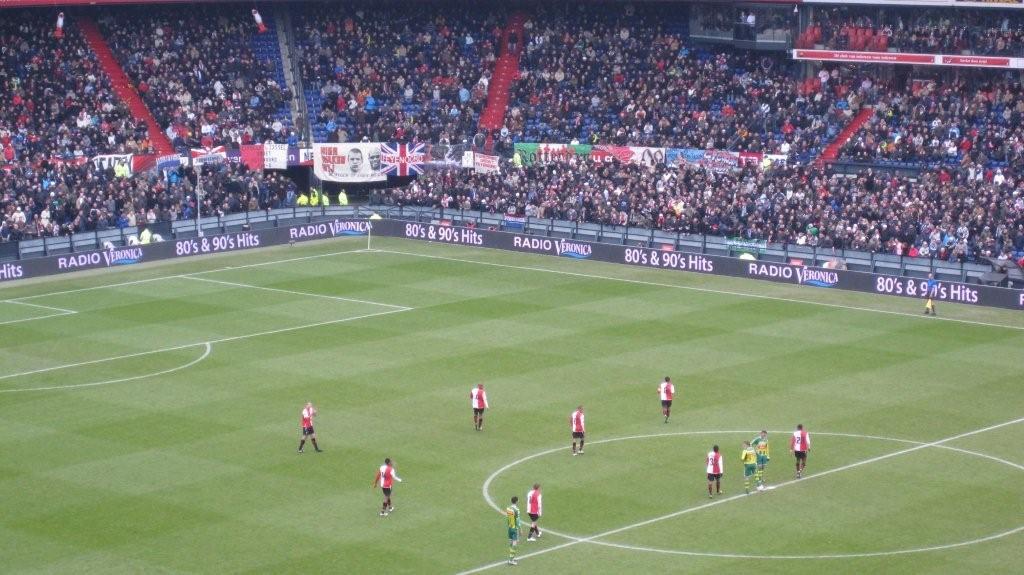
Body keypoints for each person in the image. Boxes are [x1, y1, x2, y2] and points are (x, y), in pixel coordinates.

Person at [505, 495, 522, 565]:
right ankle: (511, 560)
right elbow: (518, 520)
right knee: (514, 544)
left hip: (509, 527)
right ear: (517, 501)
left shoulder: (508, 508)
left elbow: (508, 517)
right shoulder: (517, 510)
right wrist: (520, 529)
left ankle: (512, 556)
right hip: (514, 528)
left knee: (511, 542)